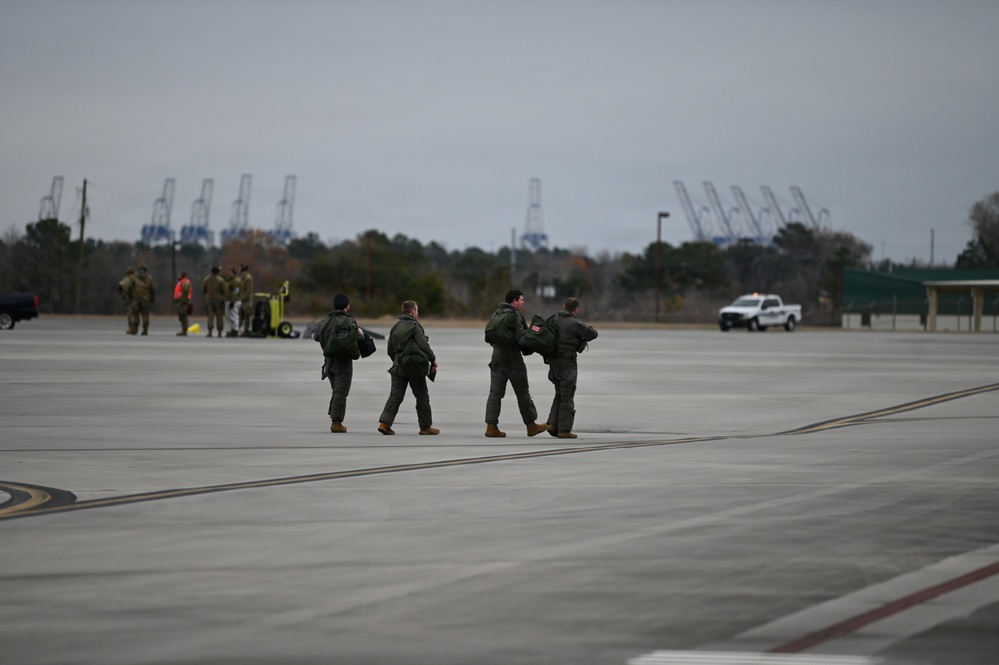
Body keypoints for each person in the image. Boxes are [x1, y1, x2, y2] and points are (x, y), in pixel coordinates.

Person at [483, 289, 550, 438]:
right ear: (514, 301)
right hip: (513, 360)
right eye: (521, 300)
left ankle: (491, 426)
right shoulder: (514, 315)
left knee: (495, 394)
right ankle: (531, 426)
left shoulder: (497, 313)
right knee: (523, 393)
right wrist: (533, 335)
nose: (523, 302)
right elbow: (521, 337)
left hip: (496, 359)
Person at [378, 300, 439, 436]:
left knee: (395, 396)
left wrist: (397, 362)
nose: (417, 312)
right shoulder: (415, 326)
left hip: (398, 367)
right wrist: (433, 359)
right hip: (413, 367)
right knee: (422, 395)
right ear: (412, 312)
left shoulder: (395, 327)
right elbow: (423, 344)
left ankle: (384, 424)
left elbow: (390, 350)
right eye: (417, 310)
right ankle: (425, 427)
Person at [546, 296, 598, 439]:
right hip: (567, 362)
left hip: (553, 362)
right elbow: (593, 334)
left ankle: (552, 424)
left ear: (563, 307)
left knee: (559, 393)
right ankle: (564, 430)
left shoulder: (553, 319)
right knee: (567, 395)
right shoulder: (574, 323)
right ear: (576, 310)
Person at [314, 294, 364, 433]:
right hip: (343, 362)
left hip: (329, 362)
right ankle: (336, 422)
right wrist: (360, 333)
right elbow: (358, 336)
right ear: (347, 307)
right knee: (341, 392)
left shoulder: (325, 321)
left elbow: (316, 337)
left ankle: (334, 417)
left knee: (337, 391)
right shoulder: (349, 321)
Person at [130, 263, 156, 336]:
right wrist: (152, 298)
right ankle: (145, 330)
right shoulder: (149, 278)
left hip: (136, 298)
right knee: (145, 315)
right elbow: (152, 289)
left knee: (135, 314)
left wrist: (131, 295)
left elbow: (130, 287)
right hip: (146, 299)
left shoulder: (134, 277)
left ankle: (134, 329)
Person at [201, 266, 227, 337]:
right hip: (218, 299)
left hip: (209, 299)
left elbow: (203, 289)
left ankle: (210, 331)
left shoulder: (206, 279)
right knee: (219, 316)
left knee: (210, 315)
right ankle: (219, 332)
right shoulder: (221, 280)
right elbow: (224, 290)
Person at [173, 270, 193, 336]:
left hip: (182, 302)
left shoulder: (184, 283)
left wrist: (183, 301)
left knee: (183, 315)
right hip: (180, 301)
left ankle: (184, 330)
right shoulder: (181, 282)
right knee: (182, 316)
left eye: (179, 275)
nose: (178, 276)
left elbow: (185, 293)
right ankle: (183, 330)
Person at [117, 267, 136, 334]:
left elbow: (119, 287)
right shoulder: (136, 278)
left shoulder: (127, 279)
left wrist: (123, 296)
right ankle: (135, 328)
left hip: (129, 298)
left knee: (130, 314)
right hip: (137, 298)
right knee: (136, 314)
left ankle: (131, 328)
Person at [223, 267, 240, 337]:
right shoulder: (229, 280)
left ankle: (235, 330)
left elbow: (236, 291)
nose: (228, 273)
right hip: (228, 300)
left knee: (234, 315)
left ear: (233, 272)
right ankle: (232, 329)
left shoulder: (236, 281)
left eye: (230, 272)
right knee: (228, 315)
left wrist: (233, 301)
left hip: (234, 300)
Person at [238, 264, 254, 337]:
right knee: (240, 315)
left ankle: (246, 330)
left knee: (246, 316)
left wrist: (242, 299)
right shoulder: (243, 278)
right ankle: (236, 329)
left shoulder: (248, 278)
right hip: (243, 301)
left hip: (246, 301)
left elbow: (248, 291)